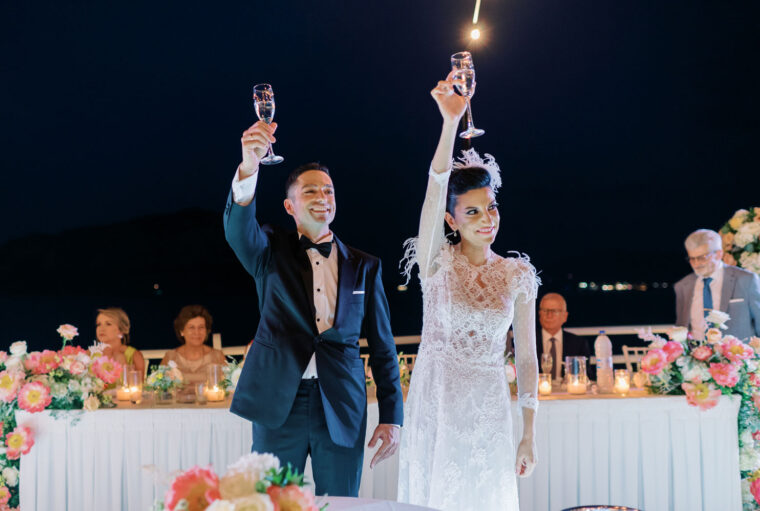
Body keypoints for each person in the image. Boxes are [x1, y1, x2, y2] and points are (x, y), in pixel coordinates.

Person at [223, 121, 403, 497]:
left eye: (328, 190)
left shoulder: (366, 266)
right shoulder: (269, 249)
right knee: (272, 502)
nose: (322, 196)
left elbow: (383, 347)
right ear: (290, 206)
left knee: (341, 502)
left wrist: (392, 416)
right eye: (310, 191)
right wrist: (249, 167)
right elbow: (238, 232)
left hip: (341, 405)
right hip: (278, 403)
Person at [397, 72, 539, 510]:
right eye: (472, 212)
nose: (487, 219)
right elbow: (435, 187)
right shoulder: (436, 261)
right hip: (436, 403)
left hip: (489, 408)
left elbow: (527, 357)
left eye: (491, 208)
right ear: (451, 220)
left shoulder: (517, 274)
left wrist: (528, 433)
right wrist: (449, 124)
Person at [675, 229, 760, 340]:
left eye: (702, 258)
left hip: (738, 351)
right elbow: (681, 329)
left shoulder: (746, 280)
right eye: (692, 258)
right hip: (697, 350)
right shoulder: (683, 286)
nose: (696, 264)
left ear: (719, 254)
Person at [161, 305, 226, 389]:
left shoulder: (217, 356)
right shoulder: (171, 357)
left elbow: (228, 387)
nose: (197, 332)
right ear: (181, 331)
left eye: (201, 327)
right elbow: (160, 387)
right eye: (191, 327)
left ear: (206, 331)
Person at [536, 292, 593, 381]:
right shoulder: (529, 342)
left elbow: (586, 376)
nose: (549, 315)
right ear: (539, 314)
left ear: (565, 316)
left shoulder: (578, 343)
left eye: (554, 311)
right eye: (545, 311)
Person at [95, 307, 145, 372]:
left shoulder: (135, 356)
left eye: (108, 324)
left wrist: (122, 361)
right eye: (99, 324)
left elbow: (138, 378)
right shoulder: (89, 354)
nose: (101, 329)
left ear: (121, 330)